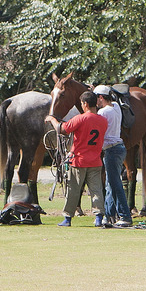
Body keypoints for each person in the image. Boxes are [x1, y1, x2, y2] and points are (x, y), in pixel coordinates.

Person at [51, 90, 107, 226]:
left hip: (79, 160)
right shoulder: (103, 121)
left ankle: (67, 218)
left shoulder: (80, 118)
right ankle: (99, 217)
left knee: (73, 190)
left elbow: (62, 129)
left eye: (82, 103)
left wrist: (52, 119)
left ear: (86, 104)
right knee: (96, 191)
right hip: (95, 161)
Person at [95, 87, 132, 228]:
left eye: (97, 98)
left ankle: (125, 215)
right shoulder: (116, 106)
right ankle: (109, 215)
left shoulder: (102, 112)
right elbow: (114, 100)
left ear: (101, 97)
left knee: (115, 184)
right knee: (110, 183)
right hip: (119, 148)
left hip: (111, 150)